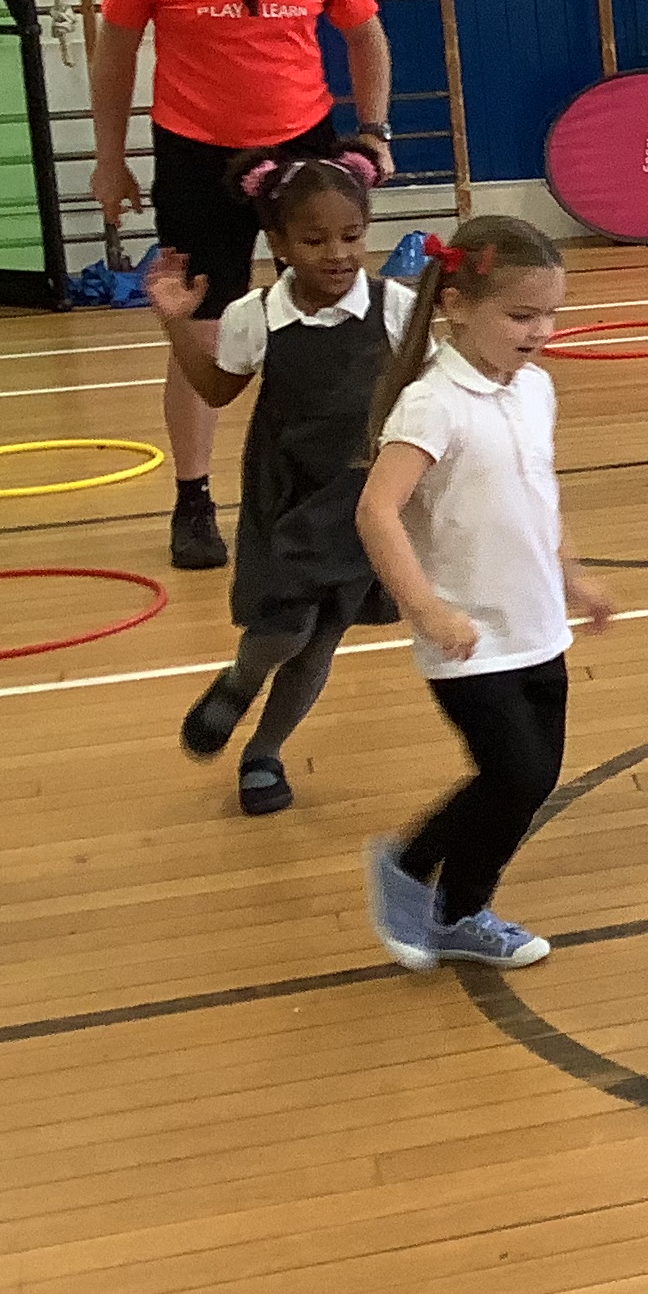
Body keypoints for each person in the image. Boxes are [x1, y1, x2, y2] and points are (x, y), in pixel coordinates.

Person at [88, 0, 396, 573]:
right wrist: (110, 157)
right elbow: (115, 51)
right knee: (201, 325)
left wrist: (372, 130)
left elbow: (365, 34)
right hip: (197, 154)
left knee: (329, 314)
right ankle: (193, 499)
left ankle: (333, 479)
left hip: (303, 147)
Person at [352, 216, 615, 971]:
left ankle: (457, 908)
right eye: (522, 315)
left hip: (538, 626)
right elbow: (375, 511)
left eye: (551, 314)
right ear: (458, 306)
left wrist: (573, 575)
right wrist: (427, 609)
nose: (542, 332)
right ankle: (413, 873)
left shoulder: (534, 389)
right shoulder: (433, 404)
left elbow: (538, 495)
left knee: (529, 783)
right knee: (514, 775)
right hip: (468, 638)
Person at [144, 149, 407, 817]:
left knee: (319, 643)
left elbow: (430, 392)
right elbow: (215, 391)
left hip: (359, 500)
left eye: (351, 235)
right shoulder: (255, 315)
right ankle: (241, 677)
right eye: (314, 240)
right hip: (284, 494)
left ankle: (264, 751)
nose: (337, 254)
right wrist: (176, 322)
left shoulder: (397, 307)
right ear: (278, 243)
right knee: (284, 630)